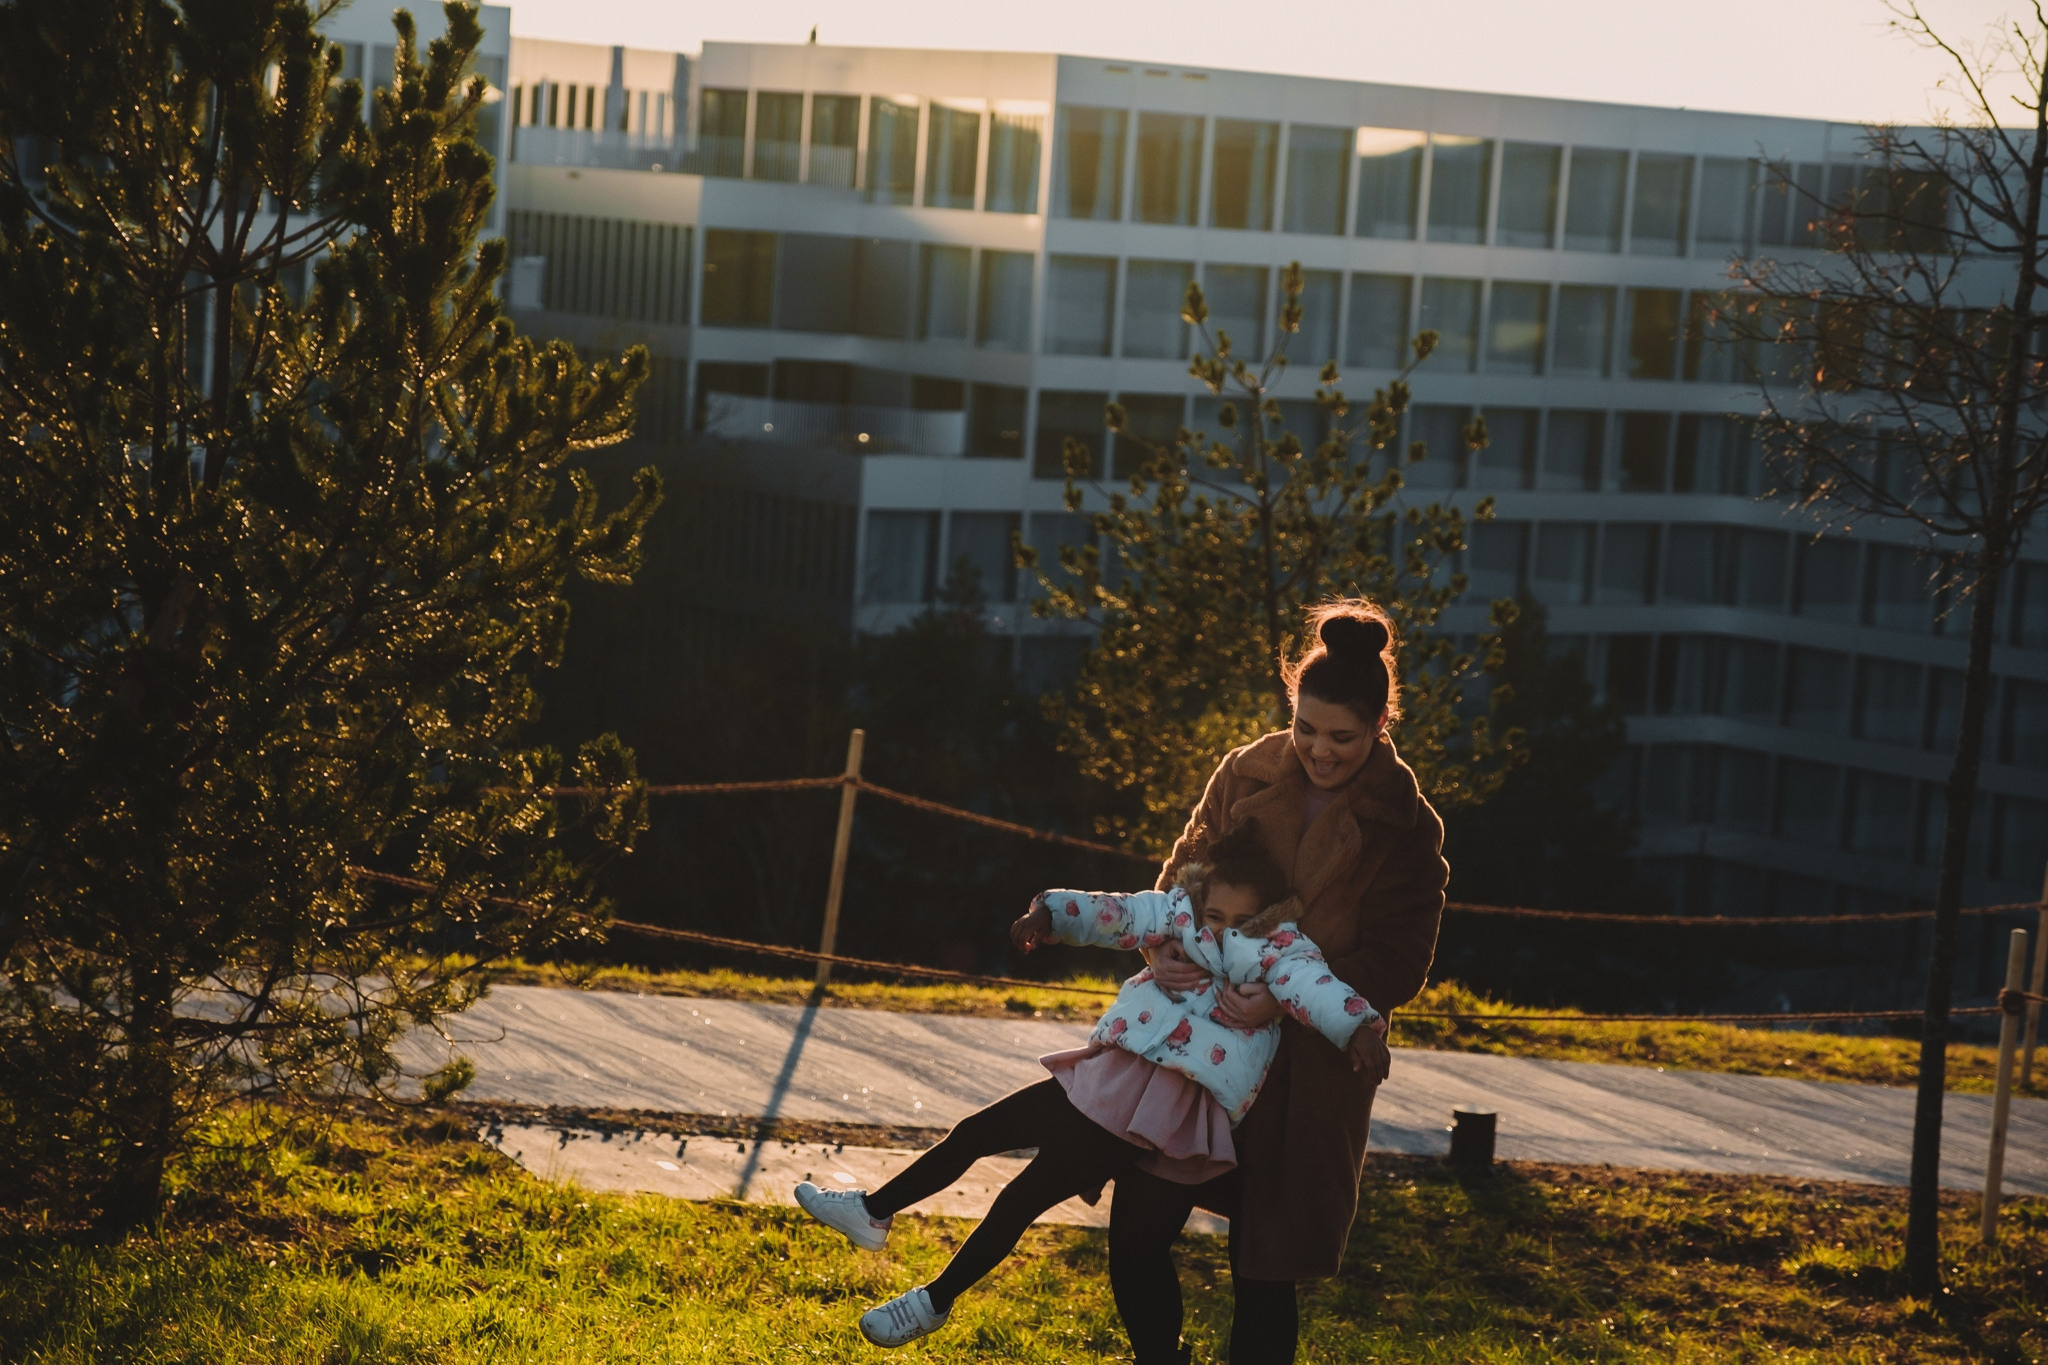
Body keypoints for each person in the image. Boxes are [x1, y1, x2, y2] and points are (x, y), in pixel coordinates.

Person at [790, 824, 1390, 1348]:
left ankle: (934, 1300)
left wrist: (1360, 1027)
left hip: (1159, 1103)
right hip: (1113, 1074)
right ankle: (874, 1212)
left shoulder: (1278, 951)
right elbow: (1120, 912)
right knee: (977, 1132)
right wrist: (1050, 914)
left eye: (1240, 921)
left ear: (1266, 914)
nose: (1223, 930)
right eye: (1215, 916)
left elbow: (1315, 988)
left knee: (1023, 1196)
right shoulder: (1178, 912)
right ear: (1200, 898)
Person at [1110, 600, 1448, 1365]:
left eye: (1343, 737)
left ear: (1382, 723)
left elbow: (1401, 961)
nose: (1320, 752)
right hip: (1200, 1039)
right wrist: (1166, 943)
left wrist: (1289, 996)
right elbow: (1183, 879)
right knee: (1136, 1233)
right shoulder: (1245, 771)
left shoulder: (1408, 826)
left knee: (1264, 1275)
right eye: (1305, 729)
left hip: (1305, 1073)